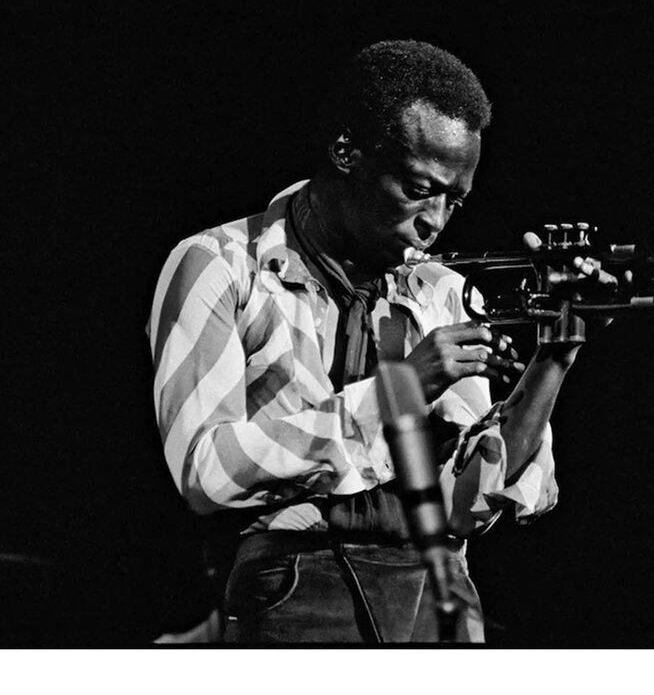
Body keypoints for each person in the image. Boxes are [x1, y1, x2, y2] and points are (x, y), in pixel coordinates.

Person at [148, 40, 608, 643]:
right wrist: (401, 390)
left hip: (440, 594)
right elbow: (205, 473)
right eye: (419, 189)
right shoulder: (221, 265)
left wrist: (555, 358)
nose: (437, 221)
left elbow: (463, 506)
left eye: (454, 199)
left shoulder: (441, 291)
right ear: (346, 153)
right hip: (296, 590)